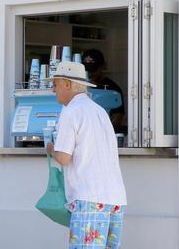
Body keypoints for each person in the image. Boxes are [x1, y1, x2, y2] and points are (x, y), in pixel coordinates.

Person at [45, 61, 127, 249]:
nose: (53, 90)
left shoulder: (71, 111)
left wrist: (50, 149)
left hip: (89, 198)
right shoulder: (99, 111)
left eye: (55, 84)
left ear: (67, 84)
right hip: (115, 198)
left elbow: (64, 157)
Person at [82, 49, 125, 132]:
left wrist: (102, 133)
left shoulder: (113, 89)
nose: (90, 73)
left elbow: (117, 118)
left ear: (103, 66)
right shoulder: (79, 86)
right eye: (87, 69)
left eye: (93, 69)